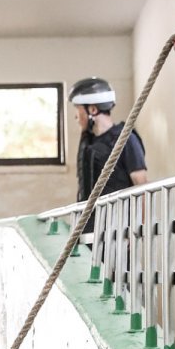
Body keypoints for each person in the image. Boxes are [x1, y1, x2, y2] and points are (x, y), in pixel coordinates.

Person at [70, 76, 147, 232]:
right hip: (90, 228)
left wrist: (138, 229)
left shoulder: (126, 139)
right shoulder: (88, 143)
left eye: (78, 110)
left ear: (92, 110)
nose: (76, 117)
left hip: (118, 229)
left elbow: (141, 185)